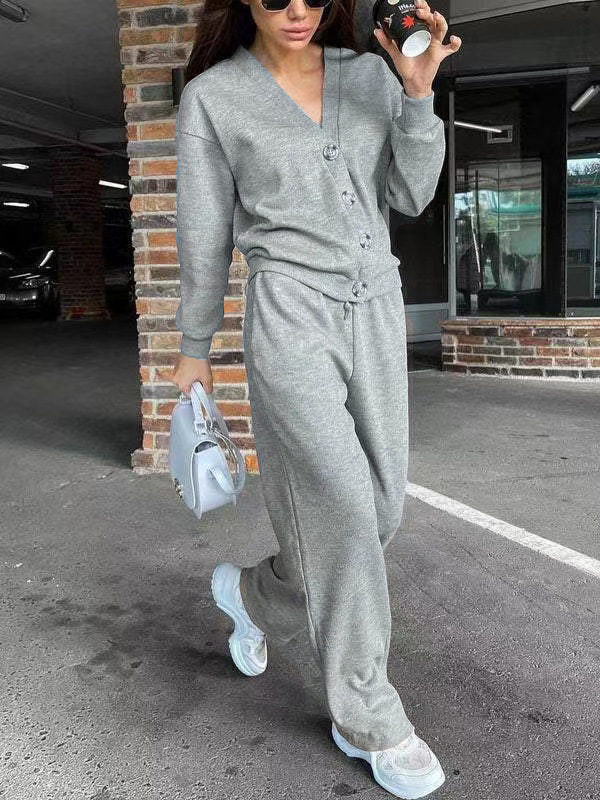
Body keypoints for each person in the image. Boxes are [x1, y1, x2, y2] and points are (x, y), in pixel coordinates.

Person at [172, 0, 461, 796]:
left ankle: (254, 595)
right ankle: (366, 713)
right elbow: (202, 231)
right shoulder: (215, 99)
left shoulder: (370, 75)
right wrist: (193, 349)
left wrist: (417, 95)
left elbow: (411, 195)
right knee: (340, 505)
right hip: (289, 312)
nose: (295, 10)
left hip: (376, 307)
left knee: (378, 513)